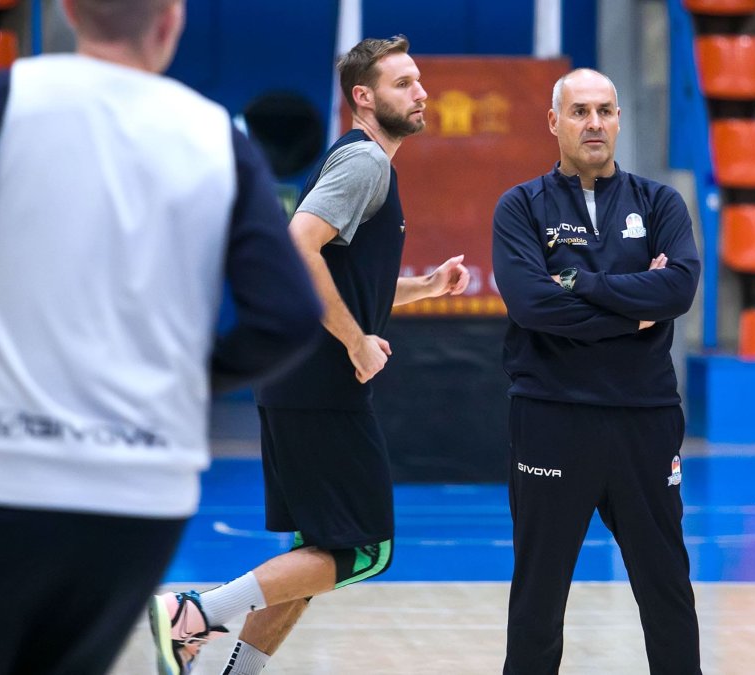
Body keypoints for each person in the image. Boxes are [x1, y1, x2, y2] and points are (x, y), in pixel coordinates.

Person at [0, 0, 323, 673]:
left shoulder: (12, 103)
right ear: (171, 22)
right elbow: (288, 314)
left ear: (68, 10)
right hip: (141, 492)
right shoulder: (214, 136)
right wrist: (186, 382)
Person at [147, 35, 471, 675]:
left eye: (418, 79)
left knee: (315, 552)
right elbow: (300, 248)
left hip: (297, 382)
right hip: (321, 385)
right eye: (403, 82)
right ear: (363, 96)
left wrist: (425, 286)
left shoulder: (360, 163)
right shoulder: (365, 163)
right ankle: (195, 614)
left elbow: (351, 285)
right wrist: (356, 342)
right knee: (364, 552)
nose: (421, 91)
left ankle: (232, 671)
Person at [491, 68, 702, 674]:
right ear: (555, 122)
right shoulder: (521, 206)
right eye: (580, 111)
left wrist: (583, 283)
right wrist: (636, 307)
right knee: (539, 589)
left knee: (665, 582)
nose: (595, 123)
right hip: (551, 414)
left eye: (605, 111)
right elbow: (532, 304)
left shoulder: (659, 202)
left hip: (646, 418)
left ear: (618, 119)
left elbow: (679, 288)